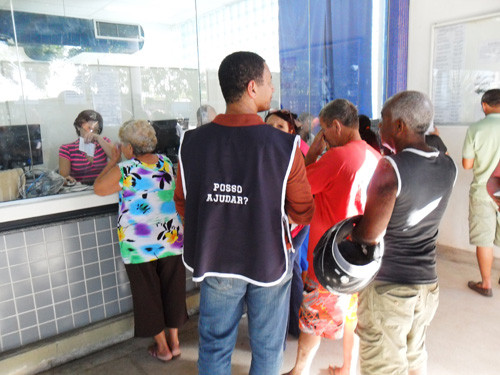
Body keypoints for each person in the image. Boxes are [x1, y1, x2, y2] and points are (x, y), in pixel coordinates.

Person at [174, 51, 315, 375]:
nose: (273, 90)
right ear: (253, 87)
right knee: (267, 348)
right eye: (269, 82)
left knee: (214, 346)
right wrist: (273, 225)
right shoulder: (284, 146)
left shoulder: (192, 143)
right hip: (269, 261)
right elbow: (303, 210)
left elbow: (182, 202)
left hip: (215, 260)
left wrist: (216, 225)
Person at [352, 90, 457, 375]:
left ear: (399, 126)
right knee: (414, 359)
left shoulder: (391, 167)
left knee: (383, 367)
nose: (378, 126)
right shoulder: (448, 166)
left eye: (383, 120)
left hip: (390, 288)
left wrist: (353, 227)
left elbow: (369, 235)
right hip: (426, 287)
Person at [284, 99, 381, 375]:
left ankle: (298, 370)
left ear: (336, 126)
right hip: (358, 257)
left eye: (324, 131)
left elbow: (297, 189)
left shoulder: (336, 158)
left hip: (328, 258)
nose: (322, 138)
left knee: (313, 319)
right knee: (352, 316)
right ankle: (346, 368)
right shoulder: (375, 156)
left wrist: (312, 155)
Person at [94, 119, 187, 363]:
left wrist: (112, 161)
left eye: (123, 144)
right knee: (172, 290)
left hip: (139, 245)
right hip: (171, 238)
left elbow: (99, 188)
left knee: (148, 293)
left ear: (129, 148)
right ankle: (175, 342)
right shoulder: (166, 163)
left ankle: (162, 348)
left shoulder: (126, 169)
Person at [265, 109, 310, 338]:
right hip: (282, 224)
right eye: (269, 126)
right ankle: (293, 325)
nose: (273, 131)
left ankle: (287, 329)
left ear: (291, 130)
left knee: (286, 274)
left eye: (280, 127)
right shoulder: (269, 149)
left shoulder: (297, 150)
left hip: (292, 225)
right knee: (289, 272)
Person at [462, 88, 500, 297]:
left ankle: (486, 284)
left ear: (484, 105)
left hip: (484, 192)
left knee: (484, 240)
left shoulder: (476, 128)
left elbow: (467, 164)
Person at [59, 110, 114, 184]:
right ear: (79, 127)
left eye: (95, 130)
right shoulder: (67, 149)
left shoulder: (104, 142)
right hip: (79, 192)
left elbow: (117, 158)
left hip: (102, 187)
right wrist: (67, 180)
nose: (91, 133)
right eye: (88, 128)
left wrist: (98, 138)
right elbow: (64, 179)